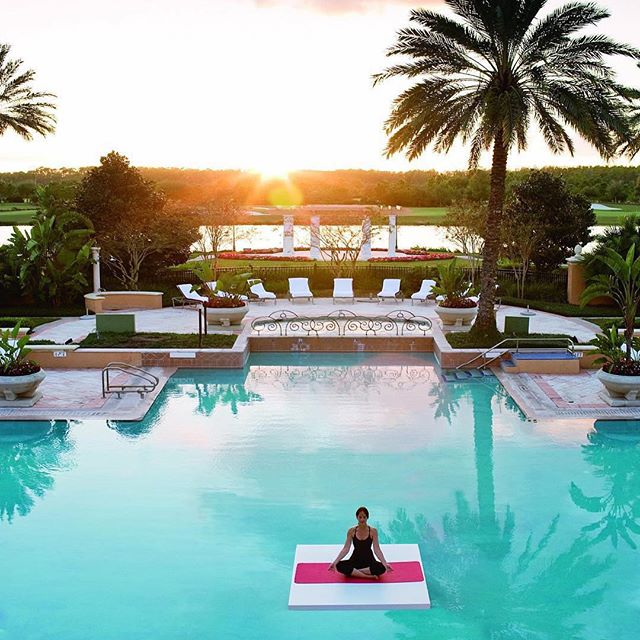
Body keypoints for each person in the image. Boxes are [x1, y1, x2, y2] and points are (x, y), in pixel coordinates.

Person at [328, 506, 393, 579]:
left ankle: (355, 572)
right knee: (338, 565)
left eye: (364, 517)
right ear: (357, 517)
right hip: (355, 560)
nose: (362, 519)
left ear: (367, 517)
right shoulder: (351, 531)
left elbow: (377, 549)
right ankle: (367, 576)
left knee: (382, 567)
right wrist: (335, 562)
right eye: (360, 517)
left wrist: (385, 563)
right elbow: (346, 548)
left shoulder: (373, 531)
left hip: (369, 561)